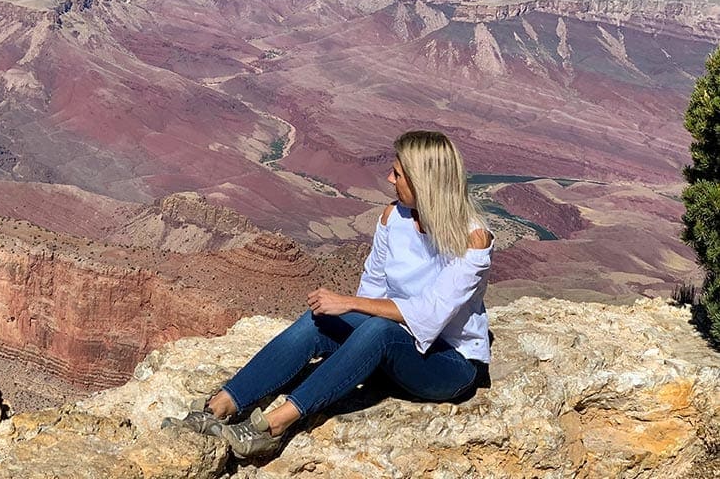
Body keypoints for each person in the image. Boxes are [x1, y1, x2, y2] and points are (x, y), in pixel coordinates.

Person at [175, 130, 493, 458]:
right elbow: (372, 290)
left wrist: (349, 303)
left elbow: (429, 314)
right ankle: (220, 405)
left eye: (397, 174)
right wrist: (346, 325)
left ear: (423, 182)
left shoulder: (472, 239)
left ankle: (272, 426)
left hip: (447, 364)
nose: (389, 178)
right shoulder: (392, 217)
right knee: (319, 321)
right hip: (396, 347)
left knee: (379, 330)